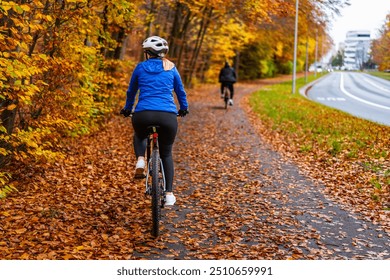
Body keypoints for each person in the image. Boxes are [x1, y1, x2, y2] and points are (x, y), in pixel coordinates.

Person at [120, 36, 189, 206]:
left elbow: (131, 92)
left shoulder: (140, 67)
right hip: (167, 116)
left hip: (144, 114)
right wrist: (184, 108)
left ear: (148, 53)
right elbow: (180, 92)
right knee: (166, 153)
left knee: (140, 135)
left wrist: (128, 108)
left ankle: (141, 160)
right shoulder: (171, 68)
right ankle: (169, 194)